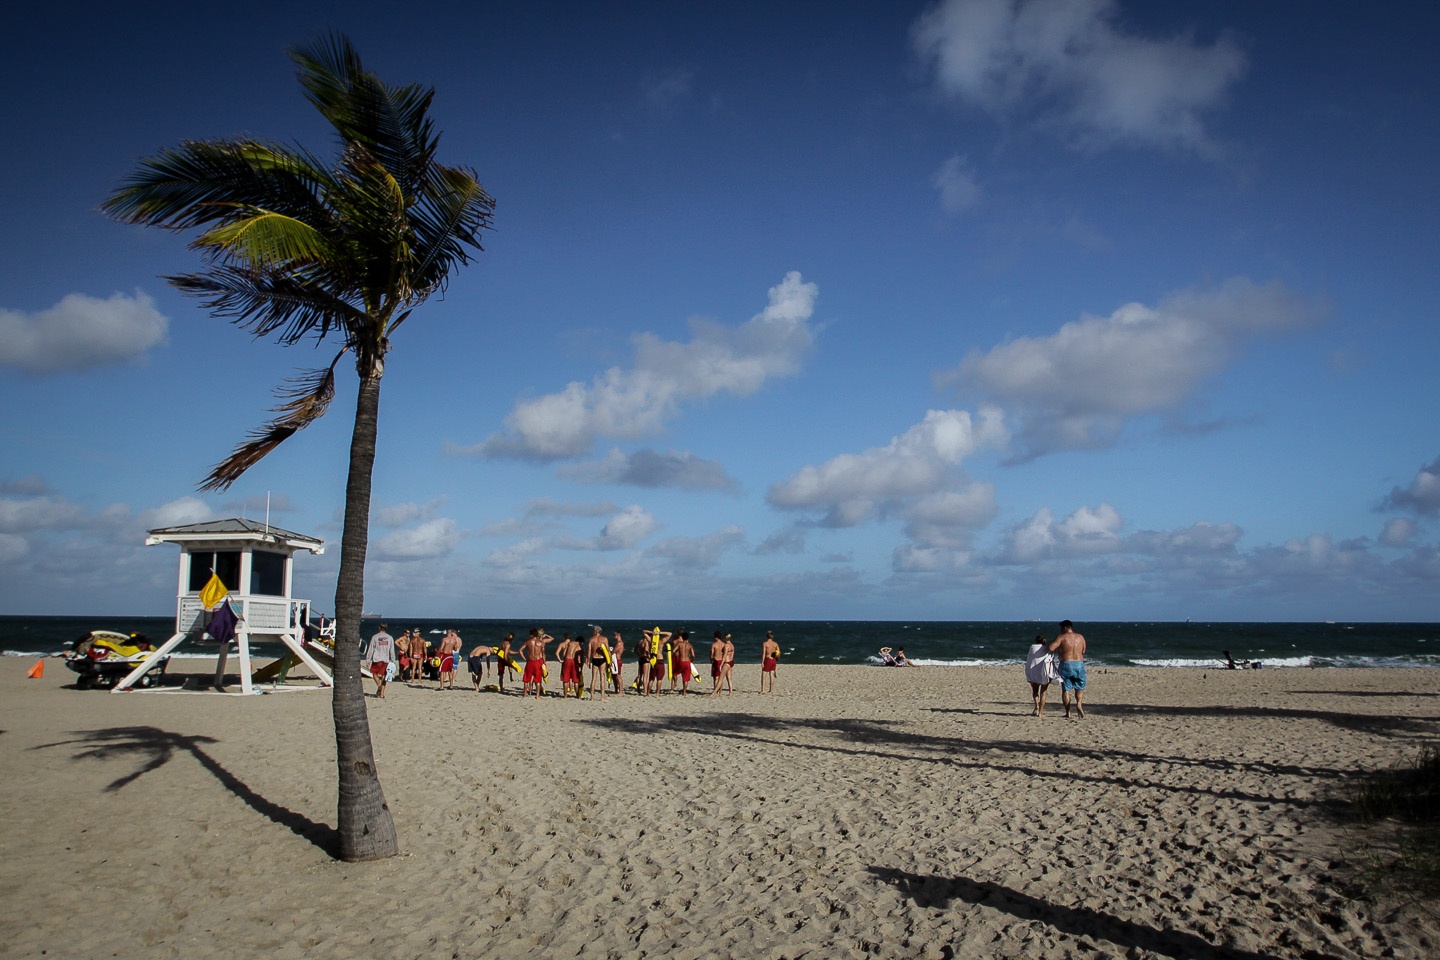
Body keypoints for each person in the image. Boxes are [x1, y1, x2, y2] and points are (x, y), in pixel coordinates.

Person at [1047, 620, 1088, 719]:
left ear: (1065, 628)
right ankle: (1079, 704)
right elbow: (1083, 650)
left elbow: (1051, 648)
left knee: (1066, 688)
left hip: (1066, 663)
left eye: (1061, 628)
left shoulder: (1062, 637)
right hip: (1079, 663)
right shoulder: (1080, 637)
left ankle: (1068, 712)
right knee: (1080, 686)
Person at [1024, 633, 1058, 717]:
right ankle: (1040, 712)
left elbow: (1029, 659)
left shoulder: (1032, 647)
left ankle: (1036, 706)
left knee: (1035, 691)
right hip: (1044, 672)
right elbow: (1050, 659)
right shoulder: (1047, 648)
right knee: (1043, 692)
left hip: (1034, 671)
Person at [365, 623, 396, 699]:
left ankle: (379, 686)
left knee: (374, 674)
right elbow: (392, 651)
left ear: (379, 628)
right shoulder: (390, 638)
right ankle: (381, 694)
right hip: (385, 660)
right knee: (384, 676)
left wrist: (368, 659)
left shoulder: (375, 637)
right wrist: (393, 660)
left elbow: (371, 649)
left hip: (377, 659)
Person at [521, 627, 551, 701]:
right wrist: (544, 662)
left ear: (532, 634)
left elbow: (520, 650)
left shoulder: (528, 642)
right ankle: (537, 695)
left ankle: (525, 694)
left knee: (526, 678)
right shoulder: (541, 643)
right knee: (538, 679)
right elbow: (543, 654)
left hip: (530, 661)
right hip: (538, 661)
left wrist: (525, 659)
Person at [585, 626, 610, 702]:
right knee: (602, 678)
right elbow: (608, 650)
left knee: (594, 678)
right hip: (602, 659)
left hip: (594, 659)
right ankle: (602, 696)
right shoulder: (604, 639)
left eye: (593, 630)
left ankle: (592, 697)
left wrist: (588, 660)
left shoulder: (591, 639)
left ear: (596, 631)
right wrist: (610, 661)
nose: (593, 632)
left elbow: (589, 651)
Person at [710, 632, 735, 696]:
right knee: (729, 678)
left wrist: (721, 665)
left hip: (726, 662)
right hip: (731, 661)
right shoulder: (732, 645)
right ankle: (731, 692)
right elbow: (732, 655)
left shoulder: (726, 646)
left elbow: (724, 656)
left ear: (725, 638)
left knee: (720, 679)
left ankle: (714, 692)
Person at [558, 633, 582, 698]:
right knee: (576, 680)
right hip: (574, 661)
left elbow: (564, 653)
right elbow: (579, 657)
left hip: (567, 660)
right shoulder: (579, 646)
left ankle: (565, 695)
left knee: (565, 679)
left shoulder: (570, 643)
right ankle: (577, 696)